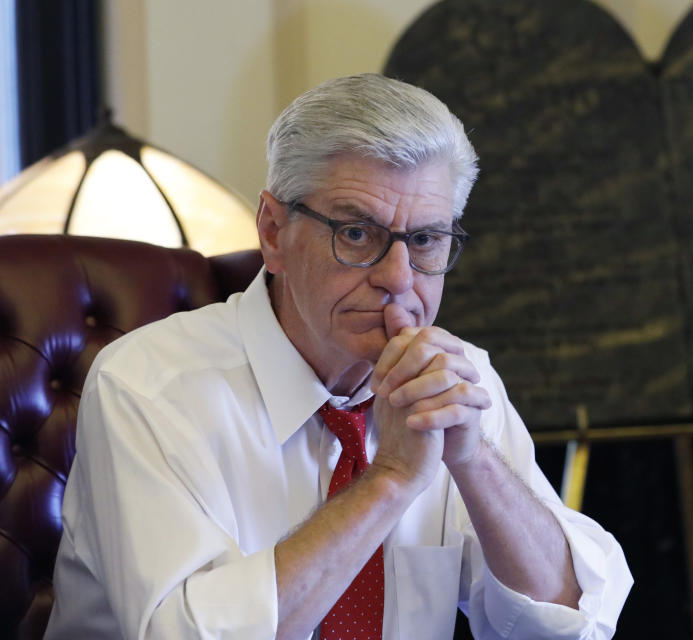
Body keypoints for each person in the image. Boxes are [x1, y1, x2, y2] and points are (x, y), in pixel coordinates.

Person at [45, 73, 632, 639]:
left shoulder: (457, 380)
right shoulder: (147, 386)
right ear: (273, 233)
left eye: (425, 240)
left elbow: (574, 622)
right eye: (356, 233)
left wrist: (474, 458)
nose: (398, 279)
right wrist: (391, 480)